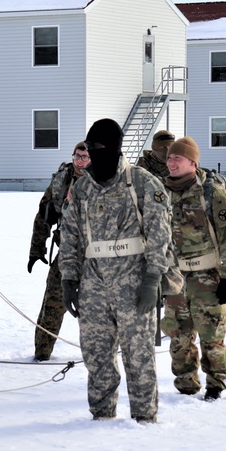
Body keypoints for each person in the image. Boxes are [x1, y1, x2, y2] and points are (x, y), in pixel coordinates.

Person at [58, 118, 172, 423]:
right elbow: (69, 236)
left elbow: (160, 234)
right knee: (96, 356)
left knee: (139, 356)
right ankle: (101, 418)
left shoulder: (142, 182)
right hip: (94, 284)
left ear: (114, 147)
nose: (92, 153)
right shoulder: (82, 189)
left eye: (97, 147)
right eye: (89, 147)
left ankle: (144, 419)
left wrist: (153, 278)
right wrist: (69, 278)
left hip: (134, 281)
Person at [160, 137, 226, 401]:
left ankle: (215, 383)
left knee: (212, 335)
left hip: (208, 278)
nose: (171, 163)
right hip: (175, 278)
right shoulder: (159, 192)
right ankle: (185, 386)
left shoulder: (212, 193)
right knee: (178, 334)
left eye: (178, 158)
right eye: (170, 158)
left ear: (193, 163)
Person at [27, 141, 89, 361]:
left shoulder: (104, 180)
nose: (81, 161)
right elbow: (43, 215)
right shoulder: (62, 180)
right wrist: (36, 249)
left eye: (85, 157)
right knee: (53, 302)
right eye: (77, 156)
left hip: (98, 255)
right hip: (67, 252)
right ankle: (41, 353)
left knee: (98, 308)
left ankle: (101, 355)